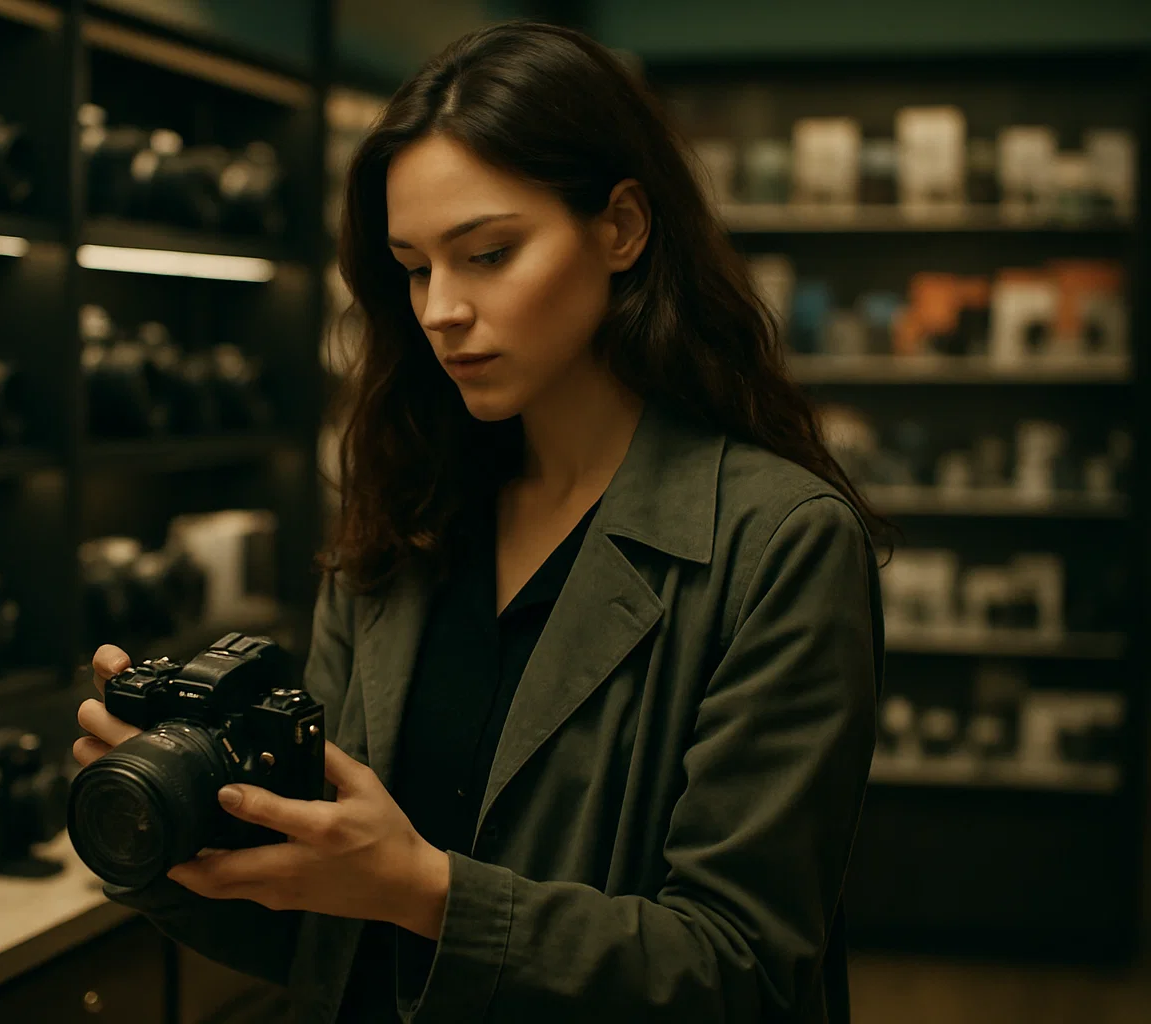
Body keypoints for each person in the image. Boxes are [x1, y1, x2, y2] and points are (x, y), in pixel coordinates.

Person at [75, 20, 883, 1024]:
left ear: (622, 228)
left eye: (488, 253)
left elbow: (741, 970)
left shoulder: (779, 543)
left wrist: (425, 892)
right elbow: (325, 932)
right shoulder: (408, 517)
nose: (441, 309)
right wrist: (168, 820)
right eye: (414, 267)